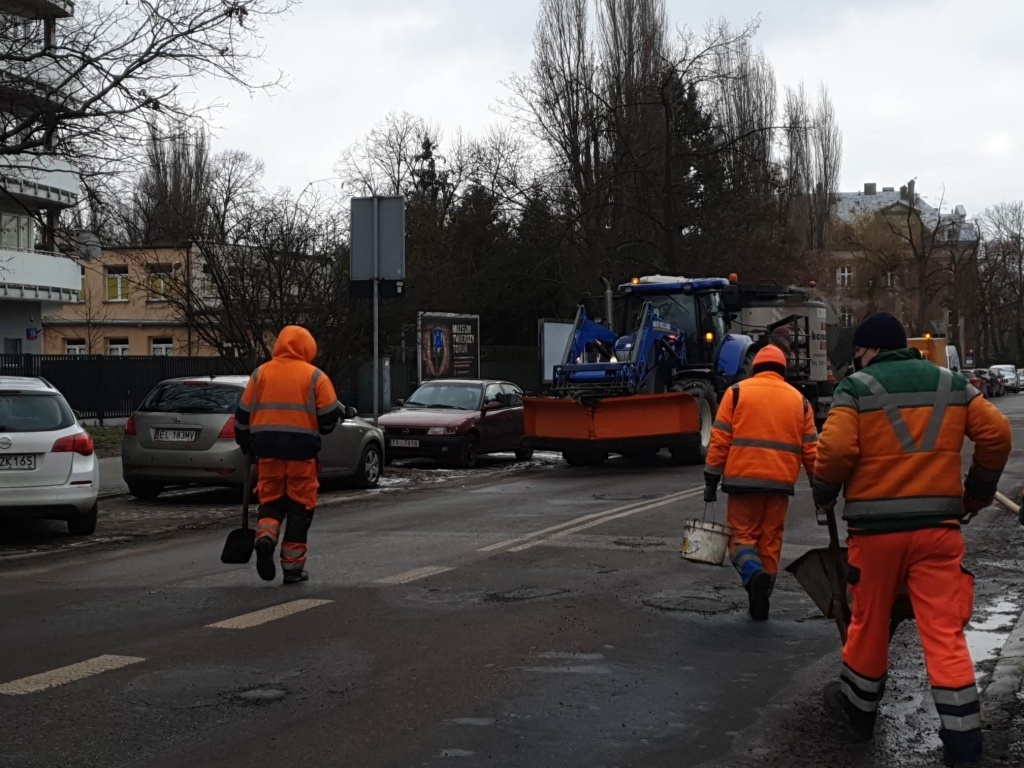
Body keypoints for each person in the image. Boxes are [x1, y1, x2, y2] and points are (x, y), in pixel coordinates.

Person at [811, 312, 1012, 767]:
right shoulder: (952, 384)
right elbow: (997, 434)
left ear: (871, 349)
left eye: (858, 352)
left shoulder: (856, 389)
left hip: (876, 537)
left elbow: (837, 450)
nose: (855, 360)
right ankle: (963, 743)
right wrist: (977, 493)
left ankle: (858, 716)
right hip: (938, 533)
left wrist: (824, 492)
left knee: (869, 623)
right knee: (944, 633)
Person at [704, 344, 818, 619]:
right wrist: (819, 485)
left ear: (755, 367)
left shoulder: (738, 392)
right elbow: (812, 449)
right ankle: (762, 598)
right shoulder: (799, 401)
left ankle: (754, 576)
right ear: (783, 370)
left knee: (741, 538)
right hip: (779, 486)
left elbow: (720, 438)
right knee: (770, 542)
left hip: (743, 483)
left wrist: (711, 477)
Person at [234, 325, 344, 584]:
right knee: (299, 509)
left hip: (267, 453)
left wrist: (246, 444)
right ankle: (292, 569)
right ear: (308, 348)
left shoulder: (260, 374)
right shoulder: (315, 376)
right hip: (301, 455)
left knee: (270, 501)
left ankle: (265, 537)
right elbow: (328, 418)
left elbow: (242, 417)